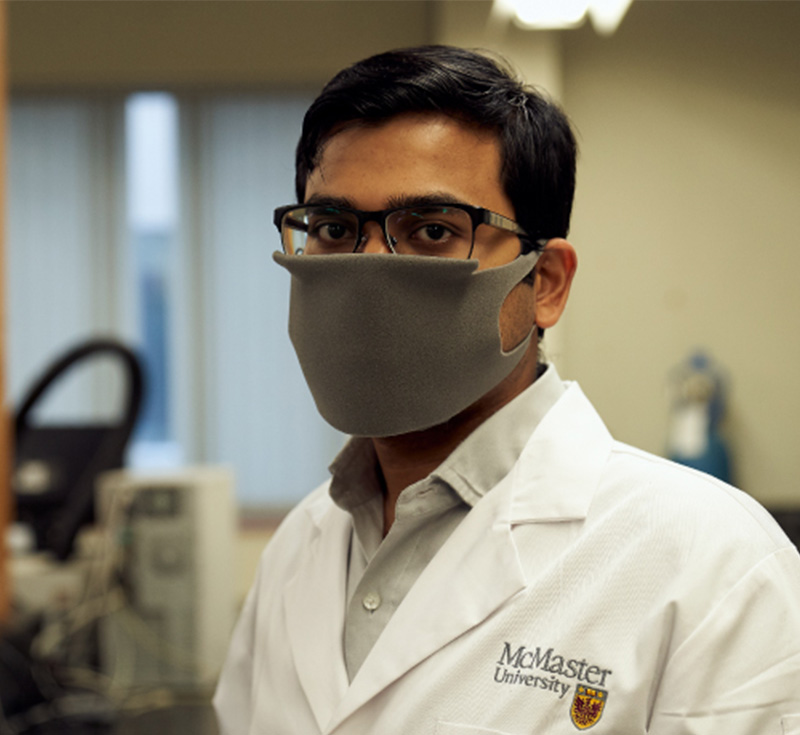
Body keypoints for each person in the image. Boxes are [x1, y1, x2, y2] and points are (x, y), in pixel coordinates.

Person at [213, 45, 800, 734]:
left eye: (432, 230)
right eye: (335, 230)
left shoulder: (714, 563)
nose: (367, 272)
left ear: (544, 282)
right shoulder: (299, 547)